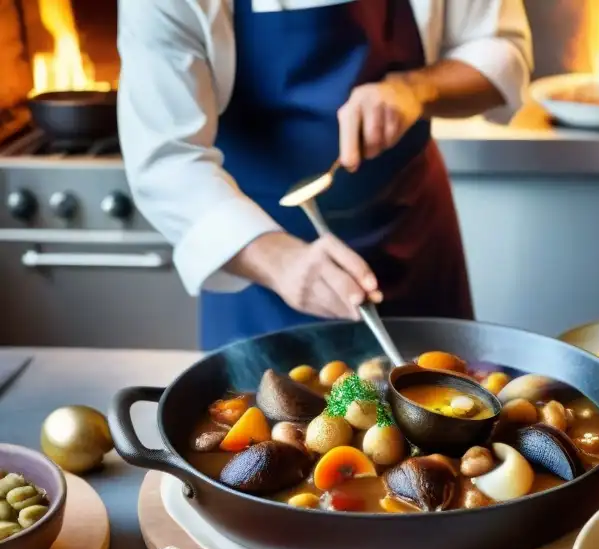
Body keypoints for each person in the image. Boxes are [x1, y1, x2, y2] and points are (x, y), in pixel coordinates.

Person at [117, 0, 532, 350]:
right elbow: (166, 158)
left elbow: (501, 49)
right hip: (257, 259)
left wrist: (415, 89)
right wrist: (281, 261)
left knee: (449, 419)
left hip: (413, 234)